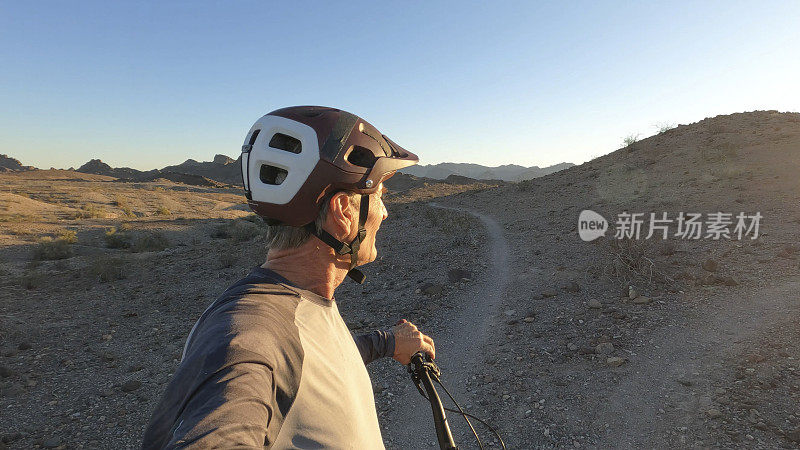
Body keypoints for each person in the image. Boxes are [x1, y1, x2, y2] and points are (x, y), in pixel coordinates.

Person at [142, 106, 436, 449]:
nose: (385, 213)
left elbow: (307, 364)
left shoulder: (295, 303)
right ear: (343, 212)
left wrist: (386, 342)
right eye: (380, 199)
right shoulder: (250, 334)